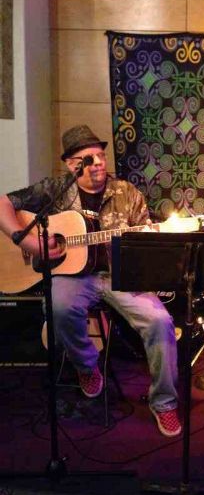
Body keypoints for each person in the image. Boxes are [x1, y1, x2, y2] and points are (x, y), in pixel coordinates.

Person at [0, 125, 181, 437]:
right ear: (73, 165)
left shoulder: (126, 193)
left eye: (100, 155)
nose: (98, 162)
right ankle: (86, 366)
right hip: (72, 276)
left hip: (119, 276)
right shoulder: (55, 190)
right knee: (58, 306)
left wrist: (147, 241)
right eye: (89, 158)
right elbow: (3, 202)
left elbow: (146, 243)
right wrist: (27, 242)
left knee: (160, 321)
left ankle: (164, 402)